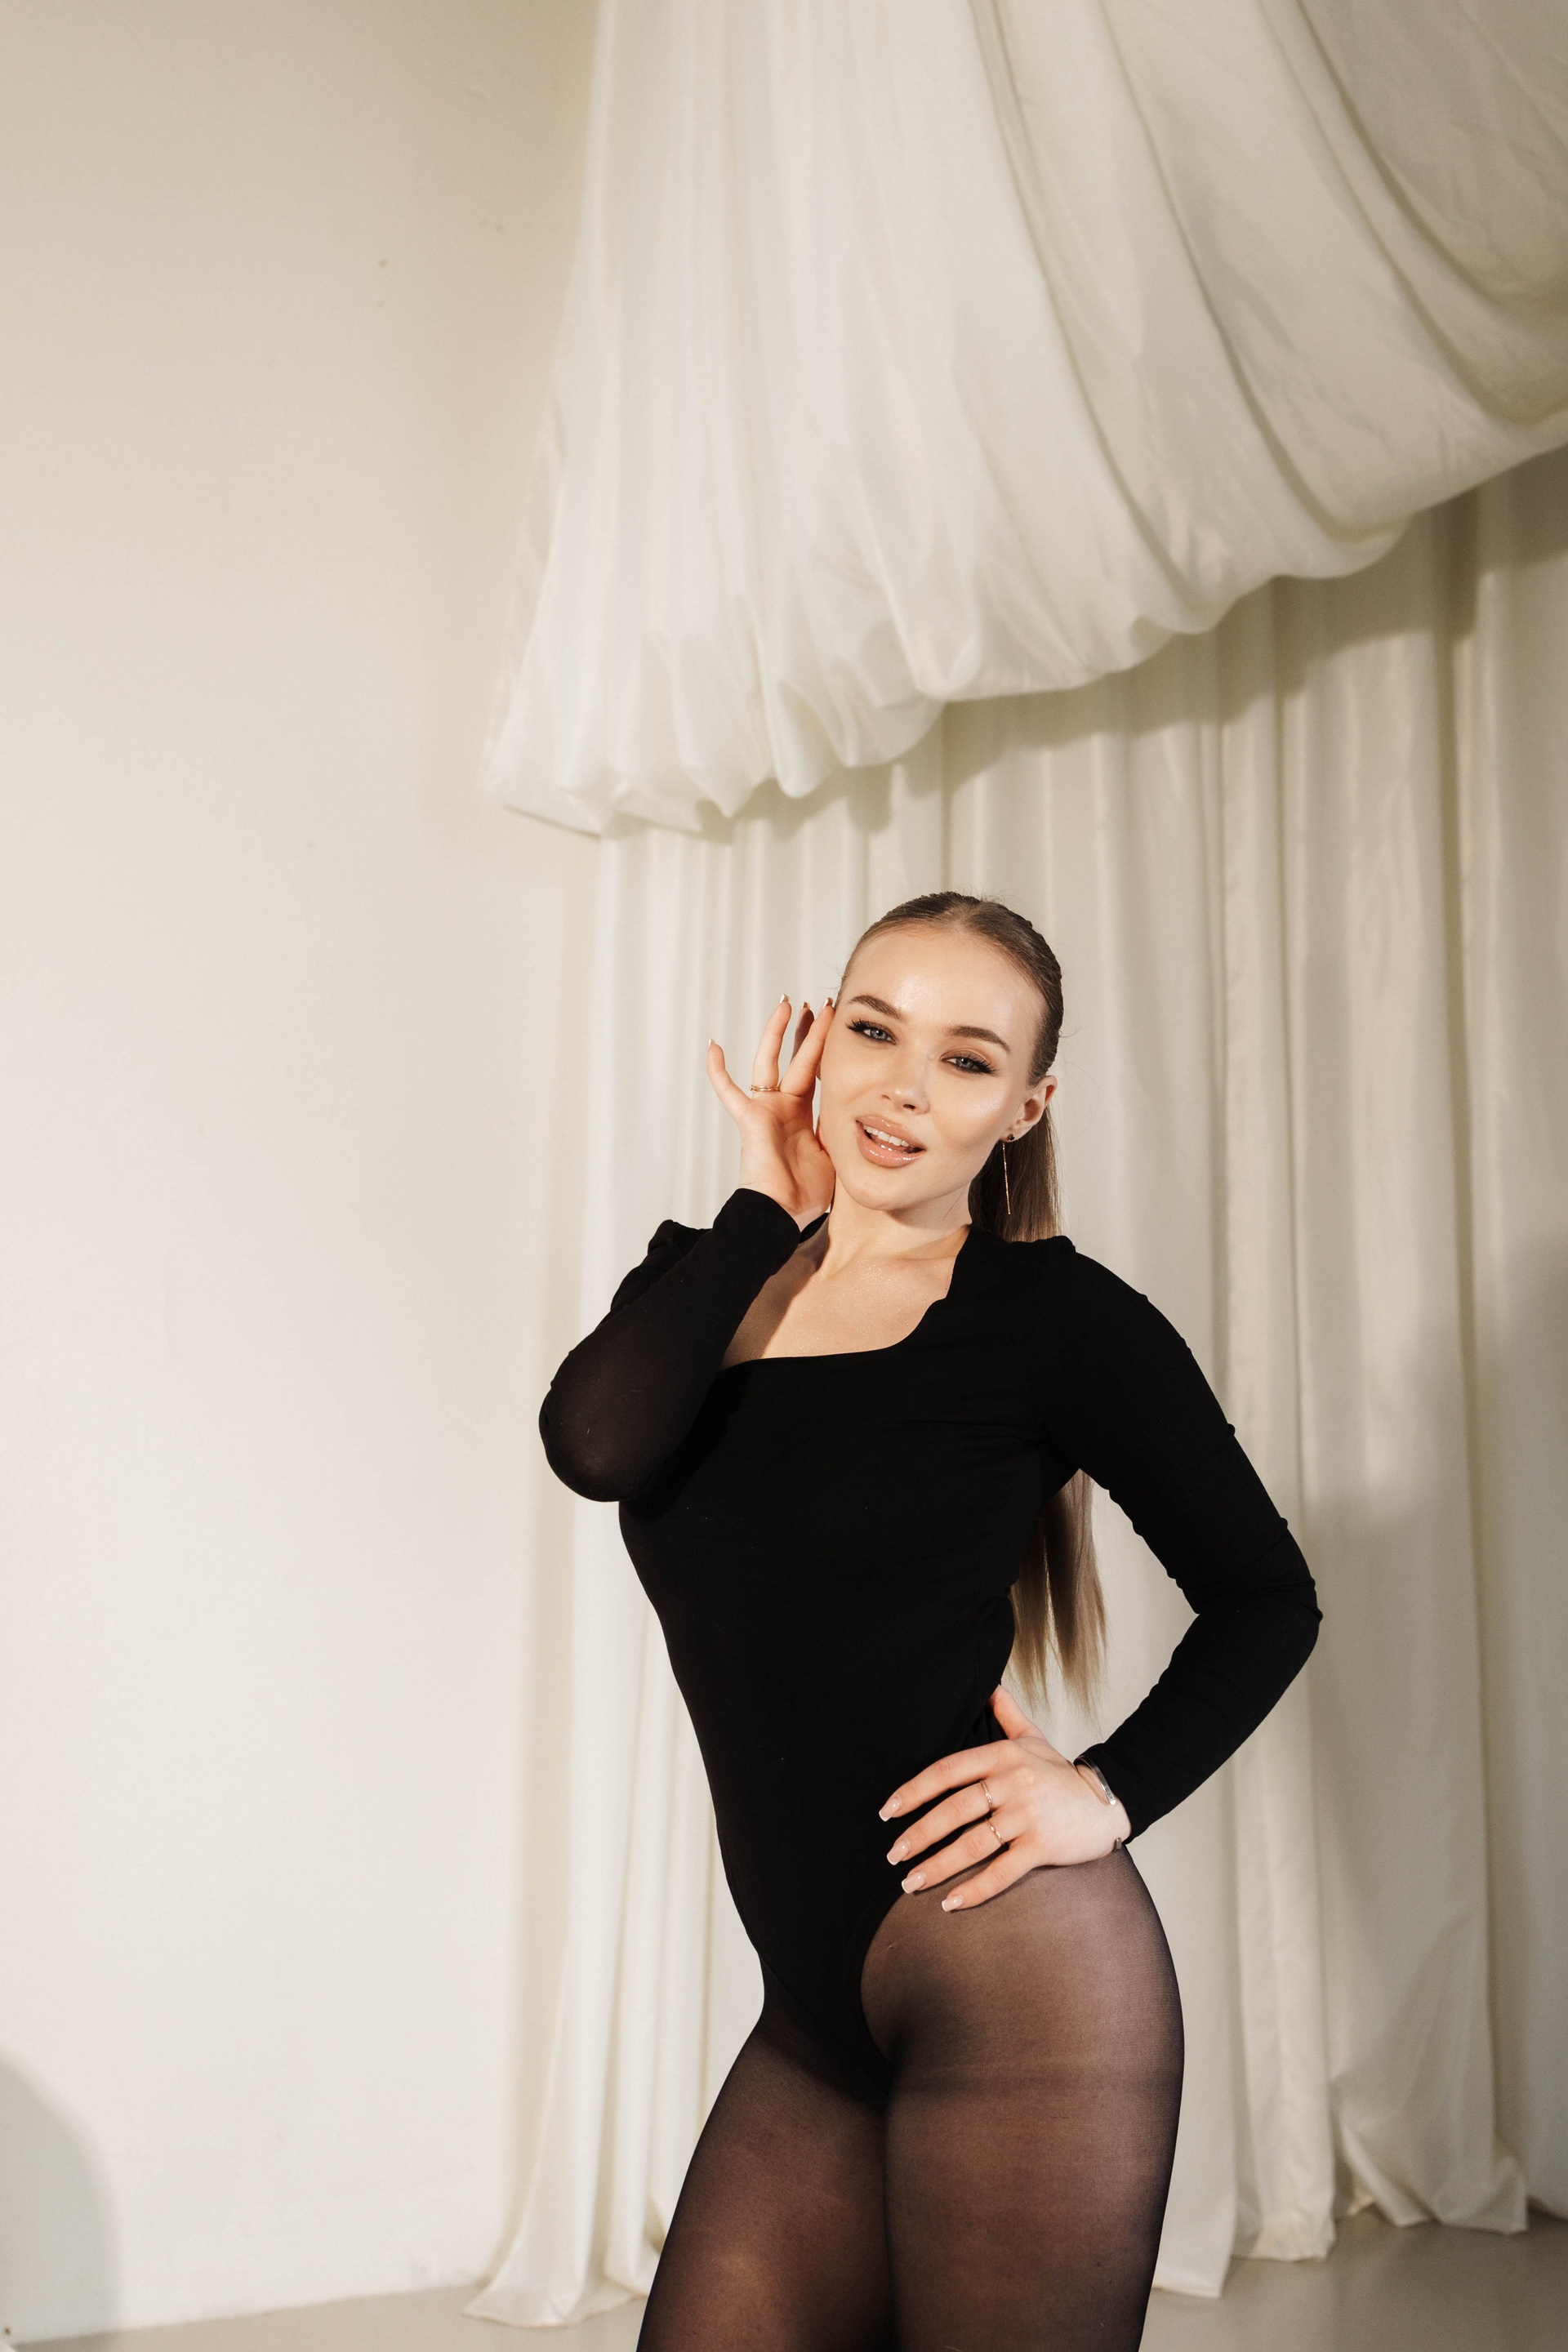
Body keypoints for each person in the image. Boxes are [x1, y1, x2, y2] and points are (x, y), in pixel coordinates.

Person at [540, 891, 1321, 2352]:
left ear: (1027, 1108)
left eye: (966, 1060)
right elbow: (595, 1445)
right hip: (811, 2009)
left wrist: (1109, 1791)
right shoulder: (708, 1279)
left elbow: (1269, 1598)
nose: (902, 1084)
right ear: (817, 1043)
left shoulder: (1054, 1319)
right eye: (874, 1030)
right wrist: (767, 1203)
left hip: (1010, 1977)